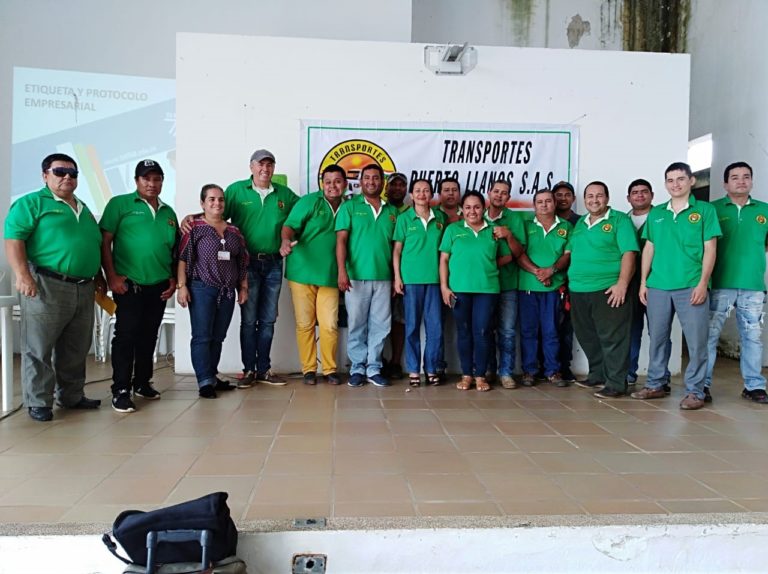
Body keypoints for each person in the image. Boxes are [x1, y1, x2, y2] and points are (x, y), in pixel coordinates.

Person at [5, 153, 104, 421]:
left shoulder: (82, 207)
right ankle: (38, 401)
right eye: (60, 172)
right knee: (39, 347)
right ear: (45, 175)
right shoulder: (32, 203)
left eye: (73, 173)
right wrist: (22, 275)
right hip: (46, 284)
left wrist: (98, 276)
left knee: (76, 347)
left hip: (83, 287)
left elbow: (91, 244)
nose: (67, 177)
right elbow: (14, 239)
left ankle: (71, 396)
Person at [632, 162, 721, 410]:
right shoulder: (657, 213)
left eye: (681, 179)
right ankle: (656, 384)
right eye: (670, 180)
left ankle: (695, 391)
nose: (675, 184)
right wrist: (643, 282)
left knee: (696, 341)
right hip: (658, 285)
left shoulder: (704, 211)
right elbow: (649, 248)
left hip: (691, 284)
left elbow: (710, 249)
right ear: (665, 184)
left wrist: (703, 283)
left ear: (691, 181)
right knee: (658, 338)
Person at [101, 159, 179, 413]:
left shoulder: (168, 213)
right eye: (146, 178)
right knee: (126, 336)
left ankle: (142, 382)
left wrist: (172, 278)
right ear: (136, 181)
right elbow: (105, 242)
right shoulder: (120, 205)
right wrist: (111, 276)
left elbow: (172, 250)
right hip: (129, 285)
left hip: (159, 285)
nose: (152, 183)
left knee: (149, 335)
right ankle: (121, 389)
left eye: (157, 179)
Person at [220, 149, 298, 387]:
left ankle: (263, 369)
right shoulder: (236, 190)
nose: (265, 169)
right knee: (248, 319)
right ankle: (248, 370)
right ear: (251, 167)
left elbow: (303, 216)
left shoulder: (284, 194)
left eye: (269, 165)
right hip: (246, 264)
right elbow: (216, 215)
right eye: (260, 164)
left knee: (267, 320)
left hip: (274, 263)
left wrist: (290, 239)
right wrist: (193, 217)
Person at [567, 181, 638, 398]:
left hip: (608, 289)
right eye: (590, 196)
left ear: (607, 198)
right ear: (584, 199)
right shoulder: (580, 223)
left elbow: (629, 253)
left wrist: (622, 284)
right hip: (578, 289)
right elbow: (570, 253)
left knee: (613, 337)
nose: (594, 200)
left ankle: (616, 383)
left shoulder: (620, 220)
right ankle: (597, 374)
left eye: (599, 195)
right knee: (587, 335)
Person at [706, 161, 768, 404]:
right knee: (709, 336)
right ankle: (702, 385)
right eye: (735, 177)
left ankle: (754, 386)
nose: (741, 181)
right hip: (719, 282)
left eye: (746, 176)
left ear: (751, 180)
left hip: (753, 285)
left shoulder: (764, 210)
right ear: (725, 184)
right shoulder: (712, 209)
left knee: (752, 337)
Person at [177, 184, 248, 398]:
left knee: (218, 336)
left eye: (221, 199)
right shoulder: (194, 228)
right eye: (212, 199)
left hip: (227, 292)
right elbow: (183, 258)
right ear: (202, 203)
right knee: (202, 336)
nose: (217, 203)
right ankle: (205, 382)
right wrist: (182, 286)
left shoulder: (234, 232)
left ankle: (212, 376)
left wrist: (243, 287)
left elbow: (242, 262)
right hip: (201, 289)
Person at [439, 191, 512, 392]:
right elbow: (444, 259)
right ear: (462, 209)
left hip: (487, 290)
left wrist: (487, 265)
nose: (472, 211)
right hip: (459, 290)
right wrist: (444, 286)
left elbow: (508, 256)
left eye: (477, 207)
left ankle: (480, 375)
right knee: (464, 332)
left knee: (482, 332)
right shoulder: (453, 229)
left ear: (484, 208)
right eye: (468, 207)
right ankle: (466, 375)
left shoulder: (493, 231)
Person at [280, 165, 345, 386]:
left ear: (345, 184)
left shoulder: (349, 206)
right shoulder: (309, 202)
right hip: (302, 272)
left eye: (337, 181)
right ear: (322, 184)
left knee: (329, 324)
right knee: (305, 324)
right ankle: (308, 369)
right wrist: (285, 241)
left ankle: (329, 369)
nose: (332, 186)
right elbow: (289, 227)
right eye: (328, 182)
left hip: (330, 274)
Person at [336, 163, 399, 387]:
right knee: (356, 324)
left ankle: (374, 367)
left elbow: (397, 249)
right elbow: (341, 241)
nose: (371, 182)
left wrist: (396, 278)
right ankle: (357, 367)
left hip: (384, 277)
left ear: (382, 182)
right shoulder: (350, 207)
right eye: (367, 178)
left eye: (376, 178)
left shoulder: (392, 212)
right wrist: (342, 271)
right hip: (355, 277)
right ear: (360, 182)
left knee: (381, 325)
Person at [393, 178, 447, 386]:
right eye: (417, 190)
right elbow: (397, 251)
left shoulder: (440, 218)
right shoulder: (404, 218)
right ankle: (414, 370)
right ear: (411, 195)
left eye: (426, 190)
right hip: (411, 281)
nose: (422, 194)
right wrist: (397, 277)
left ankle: (431, 369)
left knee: (435, 328)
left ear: (431, 194)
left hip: (435, 281)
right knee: (412, 327)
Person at [517, 189, 572, 388]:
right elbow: (518, 253)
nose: (544, 205)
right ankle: (529, 371)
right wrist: (539, 273)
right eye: (539, 201)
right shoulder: (525, 225)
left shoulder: (566, 226)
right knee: (529, 332)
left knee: (552, 331)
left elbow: (567, 255)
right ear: (534, 205)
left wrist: (552, 271)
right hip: (528, 287)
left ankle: (553, 371)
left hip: (554, 289)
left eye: (548, 201)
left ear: (554, 203)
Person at [625, 179, 671, 389]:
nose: (640, 195)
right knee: (630, 330)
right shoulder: (622, 220)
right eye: (635, 192)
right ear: (628, 198)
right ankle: (628, 373)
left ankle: (661, 376)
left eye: (644, 192)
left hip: (657, 283)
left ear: (652, 195)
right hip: (628, 284)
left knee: (659, 332)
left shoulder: (662, 217)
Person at [484, 179, 525, 388]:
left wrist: (508, 235)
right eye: (496, 191)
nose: (499, 195)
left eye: (504, 192)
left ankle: (506, 372)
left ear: (508, 197)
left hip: (507, 284)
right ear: (489, 193)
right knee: (485, 329)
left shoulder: (515, 219)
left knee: (507, 330)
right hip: (483, 286)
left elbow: (518, 252)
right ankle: (488, 370)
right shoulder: (476, 215)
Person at [551, 180, 581, 383]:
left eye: (567, 195)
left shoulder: (581, 222)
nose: (563, 198)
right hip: (548, 282)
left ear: (573, 198)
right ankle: (547, 367)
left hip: (573, 282)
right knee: (548, 327)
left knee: (566, 327)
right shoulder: (545, 219)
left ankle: (564, 366)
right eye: (558, 195)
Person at [383, 172, 409, 379]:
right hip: (379, 272)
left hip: (402, 275)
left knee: (399, 320)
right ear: (386, 187)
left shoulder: (410, 212)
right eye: (394, 185)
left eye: (402, 185)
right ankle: (376, 360)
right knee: (377, 320)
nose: (397, 188)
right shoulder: (380, 208)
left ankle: (395, 362)